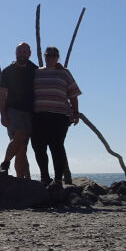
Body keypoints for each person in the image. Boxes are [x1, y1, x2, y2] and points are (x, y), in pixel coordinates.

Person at [31, 46, 81, 188]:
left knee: (57, 146)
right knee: (38, 146)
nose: (51, 57)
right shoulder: (36, 73)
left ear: (58, 57)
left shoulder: (64, 73)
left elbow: (73, 95)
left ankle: (58, 179)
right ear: (44, 56)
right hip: (39, 116)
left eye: (54, 55)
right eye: (48, 55)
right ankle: (45, 177)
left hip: (60, 116)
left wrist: (76, 113)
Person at [0, 42, 37, 178]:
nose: (22, 53)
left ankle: (20, 181)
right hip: (13, 111)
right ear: (15, 53)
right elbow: (2, 96)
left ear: (29, 53)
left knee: (22, 149)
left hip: (30, 112)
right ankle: (5, 164)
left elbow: (49, 74)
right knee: (19, 135)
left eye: (25, 51)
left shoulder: (34, 69)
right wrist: (3, 115)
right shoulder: (7, 71)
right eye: (19, 51)